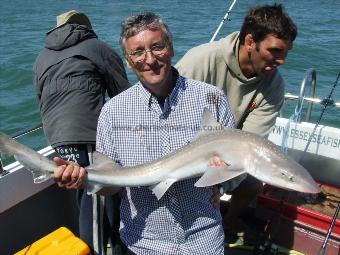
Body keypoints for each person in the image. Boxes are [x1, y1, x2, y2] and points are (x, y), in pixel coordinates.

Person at [53, 11, 236, 255]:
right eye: (137, 52)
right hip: (144, 243)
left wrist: (220, 175)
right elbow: (111, 185)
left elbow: (231, 165)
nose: (149, 59)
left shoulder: (212, 98)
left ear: (170, 48)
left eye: (157, 47)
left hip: (203, 239)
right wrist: (85, 179)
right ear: (128, 61)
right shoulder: (112, 112)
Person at [175, 4, 297, 240]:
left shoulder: (273, 85)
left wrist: (219, 182)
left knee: (252, 183)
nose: (281, 60)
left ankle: (227, 223)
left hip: (232, 155)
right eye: (274, 51)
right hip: (184, 146)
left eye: (286, 52)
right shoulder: (201, 60)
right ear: (250, 41)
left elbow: (254, 143)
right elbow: (167, 114)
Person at [33, 10, 131, 253]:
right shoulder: (97, 47)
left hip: (56, 136)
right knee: (97, 200)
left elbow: (40, 99)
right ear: (86, 28)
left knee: (86, 197)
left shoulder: (41, 58)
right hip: (88, 133)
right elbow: (125, 97)